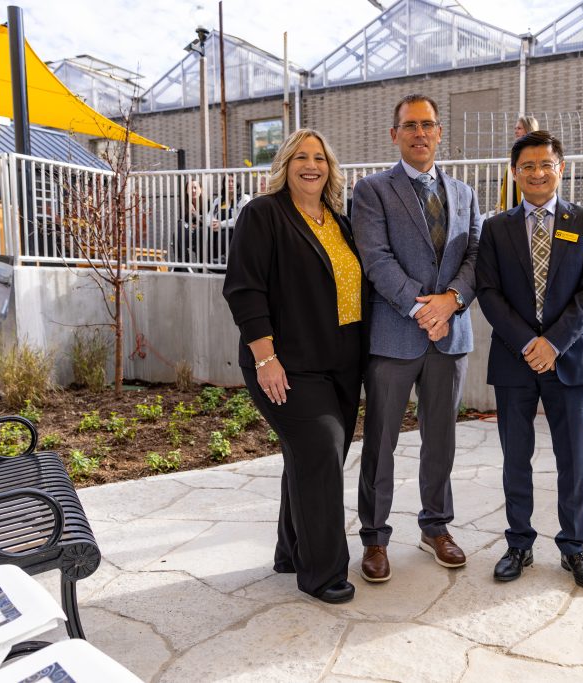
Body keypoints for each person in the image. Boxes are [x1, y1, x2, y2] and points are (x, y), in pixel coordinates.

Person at [222, 128, 365, 605]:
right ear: (285, 165)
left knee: (313, 458)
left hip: (342, 364)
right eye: (301, 157)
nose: (311, 165)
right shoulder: (263, 214)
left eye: (319, 158)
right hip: (287, 364)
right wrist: (265, 358)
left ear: (330, 168)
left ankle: (291, 550)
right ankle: (323, 573)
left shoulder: (340, 222)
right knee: (321, 450)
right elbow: (244, 289)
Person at [352, 93, 481, 583]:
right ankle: (375, 537)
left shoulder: (465, 193)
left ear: (439, 133)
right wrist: (423, 309)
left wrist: (452, 301)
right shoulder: (372, 190)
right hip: (394, 336)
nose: (420, 133)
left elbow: (476, 256)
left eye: (428, 124)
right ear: (395, 134)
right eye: (410, 125)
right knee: (381, 442)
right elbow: (375, 258)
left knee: (441, 440)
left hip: (451, 337)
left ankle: (436, 527)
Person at [475, 130, 583, 590]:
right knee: (516, 457)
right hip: (515, 359)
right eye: (527, 166)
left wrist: (553, 343)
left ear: (560, 169)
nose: (537, 173)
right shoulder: (496, 228)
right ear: (515, 173)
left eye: (545, 164)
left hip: (570, 357)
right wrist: (528, 343)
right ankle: (519, 543)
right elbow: (488, 291)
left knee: (573, 459)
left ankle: (574, 547)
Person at [496, 115, 539, 212]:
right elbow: (507, 178)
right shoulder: (516, 149)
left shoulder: (537, 149)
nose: (516, 131)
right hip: (514, 191)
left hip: (527, 194)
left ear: (529, 129)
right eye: (515, 128)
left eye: (519, 128)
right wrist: (501, 203)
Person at [208, 175, 250, 264]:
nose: (230, 184)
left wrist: (221, 224)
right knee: (206, 232)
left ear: (237, 183)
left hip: (237, 231)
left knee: (224, 234)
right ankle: (208, 262)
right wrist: (213, 222)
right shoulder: (218, 201)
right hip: (219, 230)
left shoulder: (244, 198)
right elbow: (209, 216)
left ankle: (225, 261)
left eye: (232, 181)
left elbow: (240, 218)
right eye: (228, 181)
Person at [180, 179, 205, 264]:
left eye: (195, 188)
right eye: (190, 188)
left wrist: (194, 213)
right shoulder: (185, 205)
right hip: (189, 234)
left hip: (202, 235)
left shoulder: (207, 204)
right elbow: (185, 222)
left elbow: (208, 221)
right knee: (179, 227)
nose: (193, 191)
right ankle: (184, 262)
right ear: (186, 191)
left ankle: (184, 264)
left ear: (200, 190)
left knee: (200, 232)